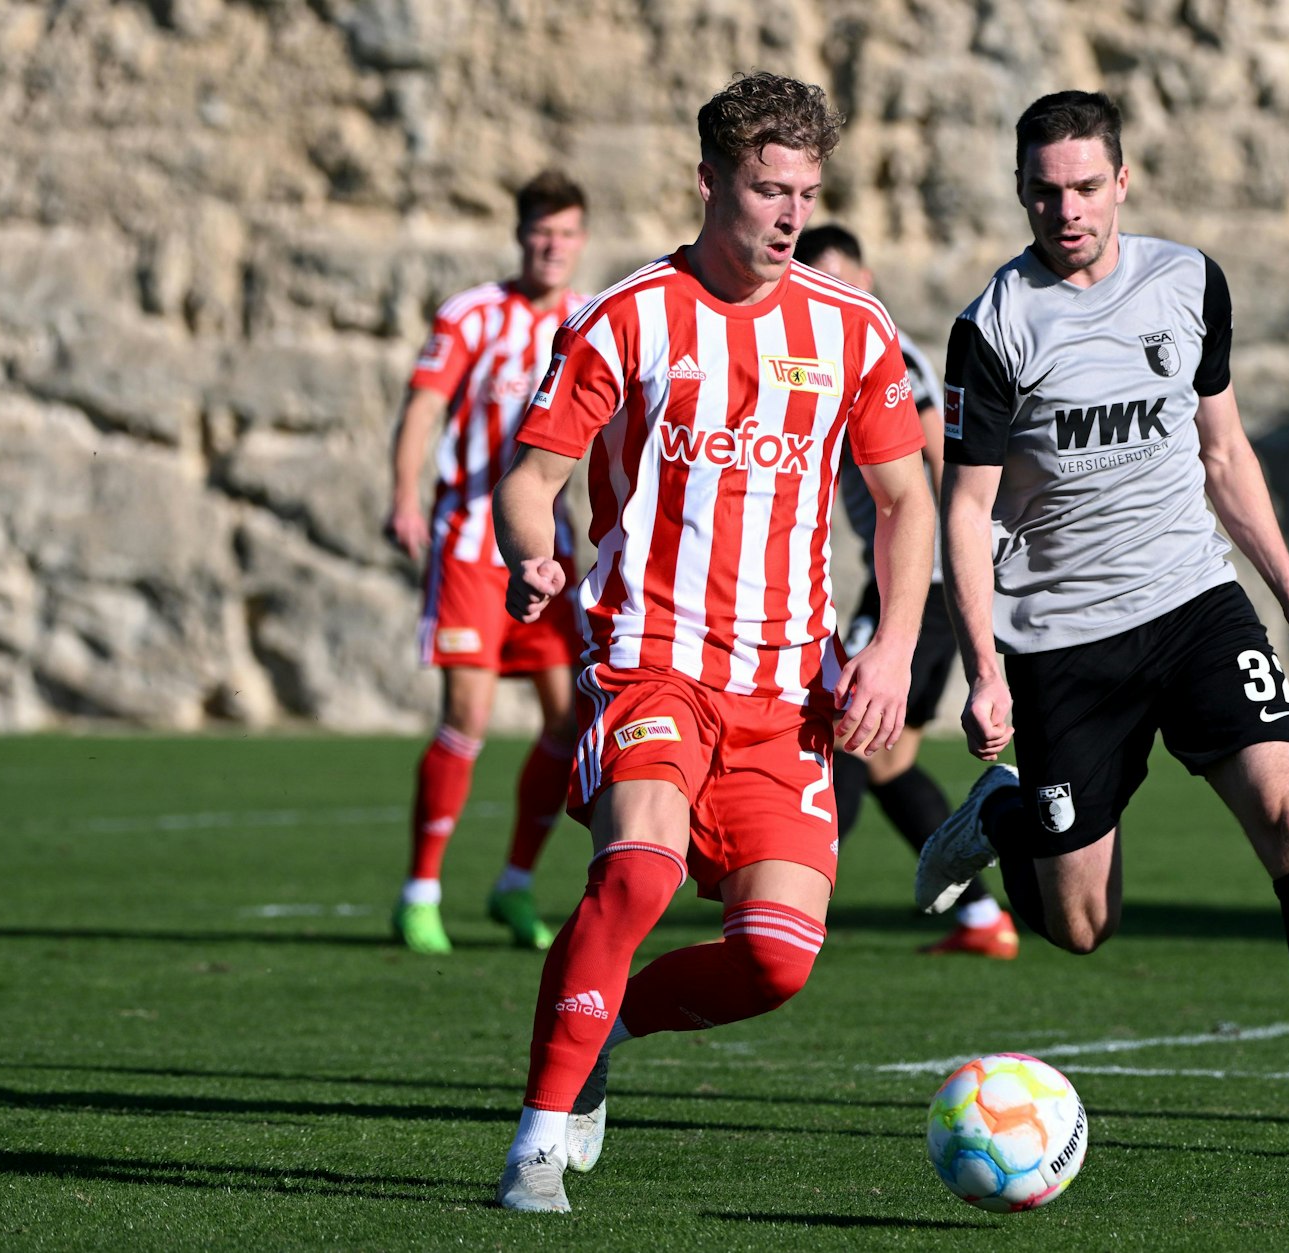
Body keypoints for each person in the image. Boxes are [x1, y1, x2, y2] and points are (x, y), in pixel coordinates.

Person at [916, 90, 1289, 1164]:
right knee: (1078, 925)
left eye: (1081, 185)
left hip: (1192, 604)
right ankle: (1008, 812)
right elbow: (965, 510)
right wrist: (981, 669)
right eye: (1041, 189)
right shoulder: (992, 326)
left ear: (1120, 180)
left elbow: (1221, 450)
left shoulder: (1186, 281)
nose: (1062, 207)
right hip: (1061, 639)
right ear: (1019, 189)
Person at [487, 72, 933, 1213]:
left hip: (788, 690)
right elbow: (530, 477)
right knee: (634, 871)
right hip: (651, 658)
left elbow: (906, 503)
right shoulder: (629, 314)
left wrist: (886, 652)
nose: (789, 216)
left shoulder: (849, 331)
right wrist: (533, 555)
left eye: (805, 193)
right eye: (765, 189)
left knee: (776, 960)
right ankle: (535, 1142)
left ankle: (606, 1033)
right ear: (708, 182)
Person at [792, 225, 1019, 960]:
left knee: (842, 733)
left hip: (915, 584)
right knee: (887, 759)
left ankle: (794, 904)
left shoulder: (880, 348)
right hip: (915, 583)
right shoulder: (823, 343)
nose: (833, 293)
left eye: (842, 279)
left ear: (868, 276)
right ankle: (984, 916)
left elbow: (937, 451)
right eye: (816, 279)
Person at [384, 170, 592, 955]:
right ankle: (420, 892)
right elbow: (425, 406)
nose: (552, 246)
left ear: (579, 241)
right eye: (541, 231)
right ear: (520, 235)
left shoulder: (589, 319)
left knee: (570, 722)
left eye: (566, 233)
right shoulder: (471, 315)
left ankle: (513, 883)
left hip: (552, 552)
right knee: (467, 713)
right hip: (471, 542)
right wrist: (407, 495)